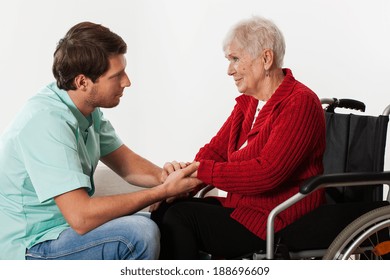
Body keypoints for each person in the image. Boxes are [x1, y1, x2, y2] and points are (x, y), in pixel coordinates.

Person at [0, 22, 201, 260]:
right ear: (82, 82)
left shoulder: (86, 109)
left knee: (170, 224)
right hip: (32, 245)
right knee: (137, 234)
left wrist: (167, 178)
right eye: (116, 76)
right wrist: (161, 191)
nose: (127, 82)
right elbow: (81, 217)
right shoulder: (45, 121)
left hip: (65, 232)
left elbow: (127, 164)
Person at [150, 16, 326, 259]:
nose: (229, 70)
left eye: (235, 59)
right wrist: (182, 181)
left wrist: (199, 171)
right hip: (243, 210)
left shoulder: (299, 102)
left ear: (266, 59)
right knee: (168, 207)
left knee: (181, 219)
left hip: (276, 216)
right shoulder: (249, 104)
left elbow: (267, 172)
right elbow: (215, 152)